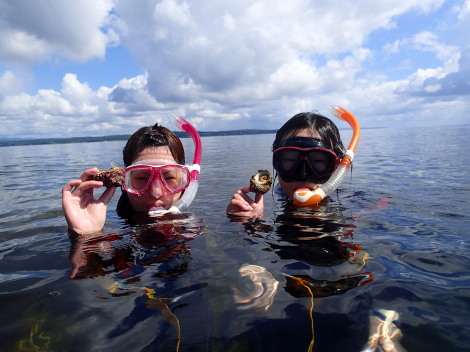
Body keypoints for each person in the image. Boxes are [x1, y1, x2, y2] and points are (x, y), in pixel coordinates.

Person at [62, 117, 202, 235]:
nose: (156, 193)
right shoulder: (112, 232)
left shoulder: (201, 231)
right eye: (142, 178)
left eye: (169, 178)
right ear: (124, 181)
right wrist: (86, 236)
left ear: (185, 181)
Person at [226, 111, 347, 218]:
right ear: (277, 164)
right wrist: (248, 221)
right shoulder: (271, 201)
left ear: (337, 167)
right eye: (290, 160)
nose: (302, 174)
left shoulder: (359, 206)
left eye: (318, 161)